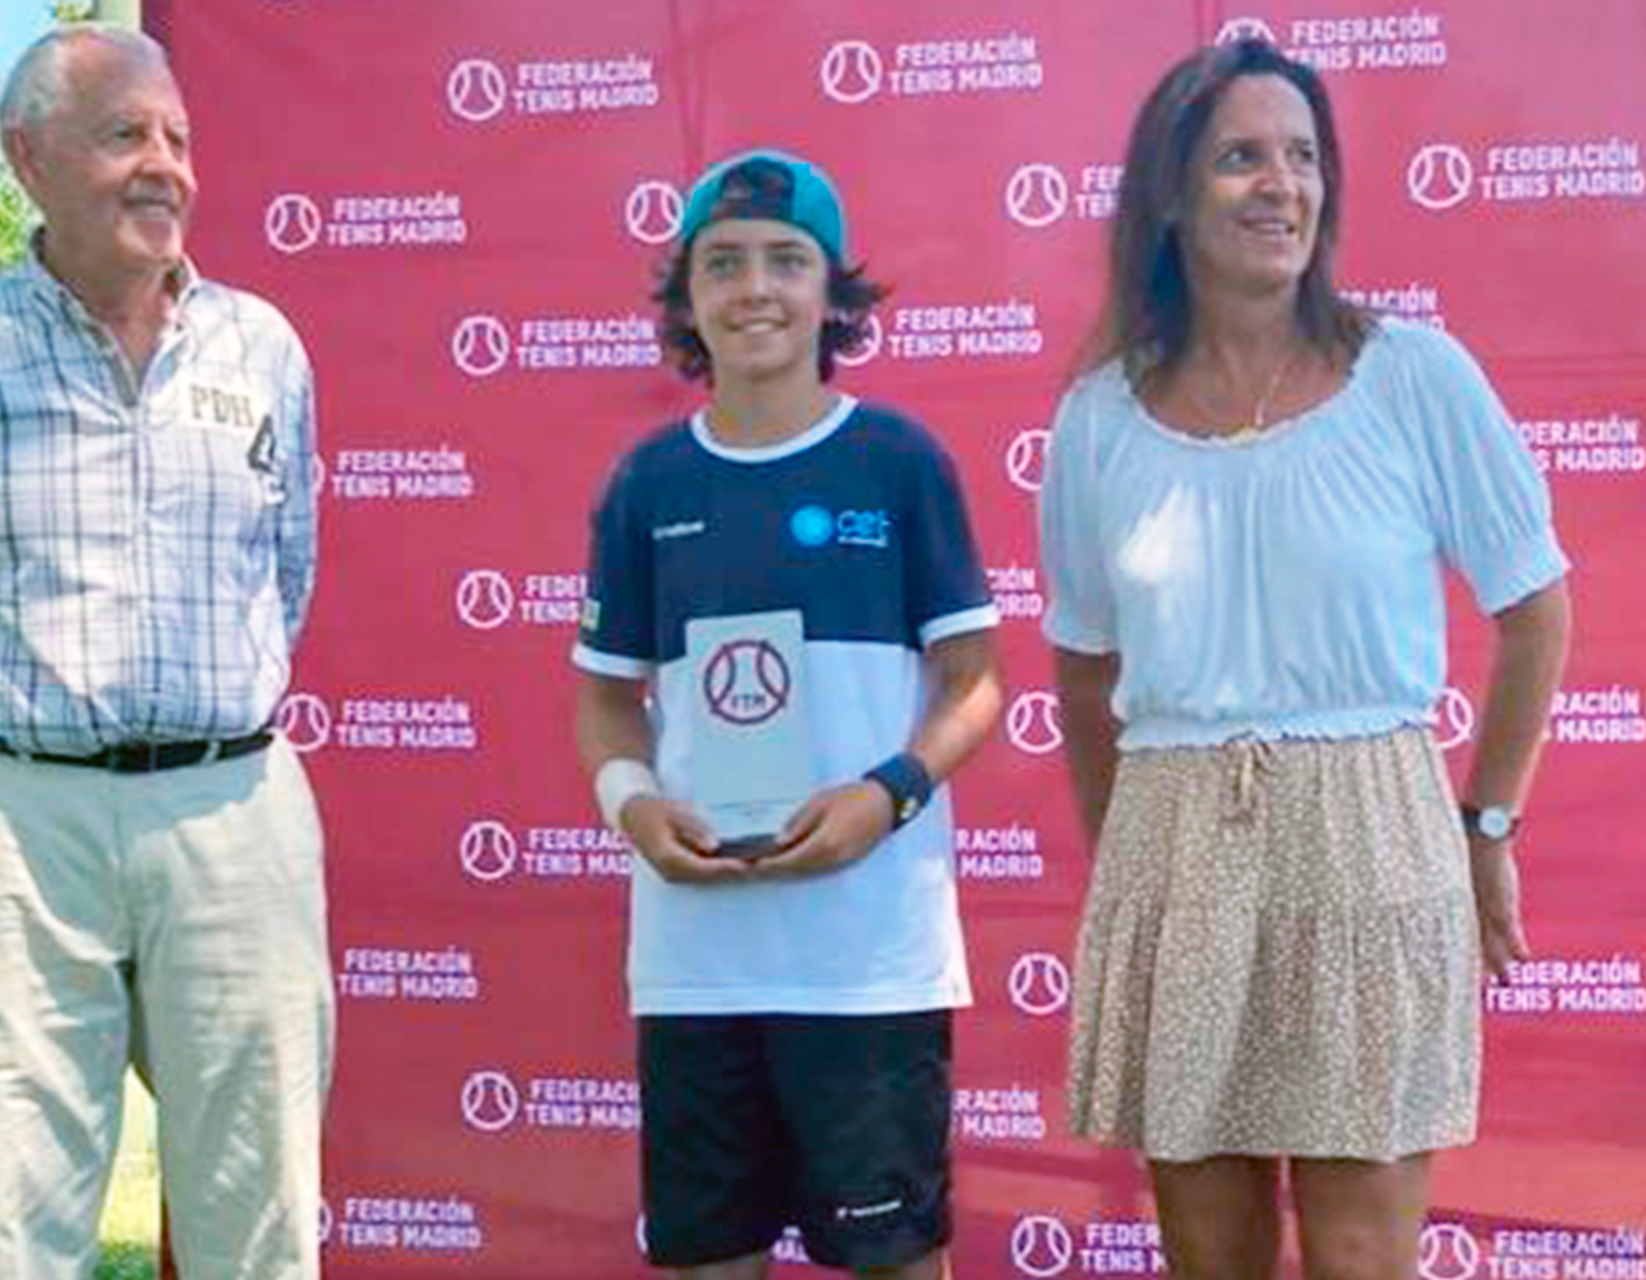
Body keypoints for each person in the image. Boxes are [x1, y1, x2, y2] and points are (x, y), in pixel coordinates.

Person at [1037, 39, 1572, 1280]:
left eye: (1303, 157)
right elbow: (1083, 668)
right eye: (1241, 157)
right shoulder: (1097, 418)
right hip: (1174, 850)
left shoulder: (1413, 376)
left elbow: (1537, 608)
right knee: (1208, 1253)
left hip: (1371, 840)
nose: (1281, 185)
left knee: (1359, 1254)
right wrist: (1132, 860)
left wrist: (1486, 824)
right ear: (1172, 195)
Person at [0, 24, 330, 1280]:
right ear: (28, 158)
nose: (165, 165)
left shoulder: (263, 347)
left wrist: (191, 721)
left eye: (178, 137)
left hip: (232, 804)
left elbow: (285, 577)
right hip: (2, 826)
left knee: (263, 1216)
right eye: (124, 134)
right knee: (13, 1222)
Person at [572, 149, 1004, 1280]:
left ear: (831, 291)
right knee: (709, 1259)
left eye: (785, 260)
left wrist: (885, 795)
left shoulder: (899, 462)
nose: (754, 287)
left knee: (894, 1259)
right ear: (688, 297)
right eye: (722, 263)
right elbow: (606, 698)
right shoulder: (647, 484)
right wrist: (634, 807)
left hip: (868, 959)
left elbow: (976, 682)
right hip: (699, 960)